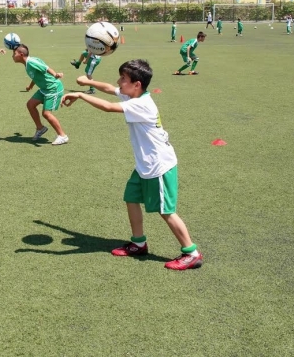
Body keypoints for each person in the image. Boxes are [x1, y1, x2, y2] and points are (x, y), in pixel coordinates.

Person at [61, 59, 203, 270]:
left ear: (137, 84)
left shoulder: (141, 104)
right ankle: (138, 243)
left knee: (166, 211)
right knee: (131, 198)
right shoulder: (135, 94)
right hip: (145, 165)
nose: (119, 82)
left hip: (159, 166)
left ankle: (191, 253)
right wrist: (86, 83)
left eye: (123, 79)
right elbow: (110, 89)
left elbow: (109, 107)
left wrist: (81, 94)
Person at [12, 44, 69, 145]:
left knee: (46, 114)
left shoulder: (31, 62)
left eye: (14, 53)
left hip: (53, 88)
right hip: (44, 89)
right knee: (30, 104)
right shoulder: (27, 63)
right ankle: (40, 128)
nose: (12, 55)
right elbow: (36, 75)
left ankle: (62, 136)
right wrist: (30, 86)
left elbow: (46, 68)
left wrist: (55, 74)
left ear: (21, 55)